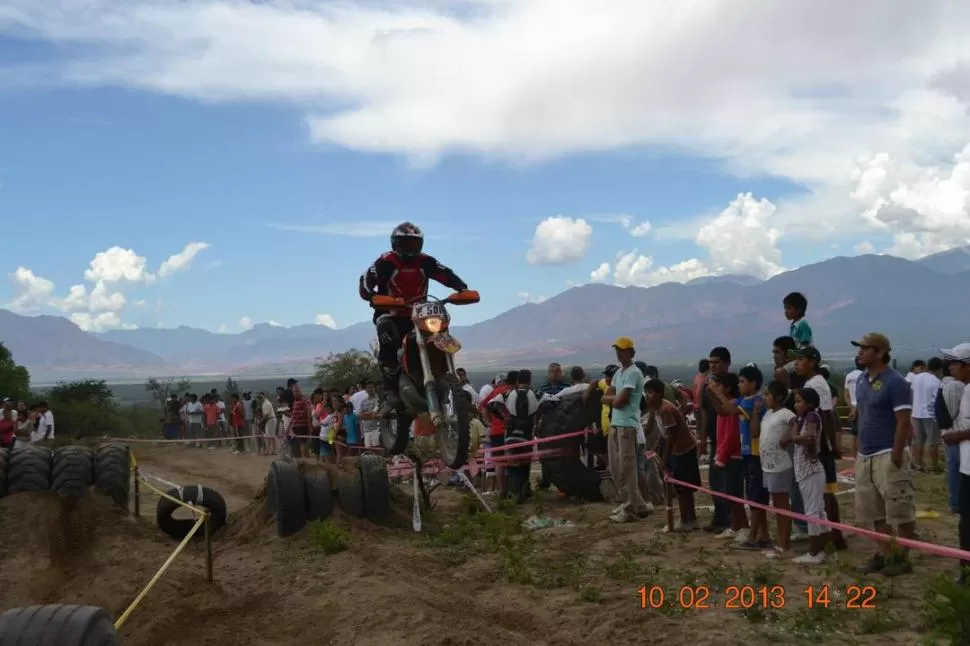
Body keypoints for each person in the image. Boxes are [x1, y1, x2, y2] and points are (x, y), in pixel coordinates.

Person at [358, 222, 470, 417]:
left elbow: (445, 273)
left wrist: (462, 289)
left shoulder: (425, 261)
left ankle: (442, 375)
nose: (411, 248)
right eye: (406, 243)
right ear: (395, 244)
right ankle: (390, 391)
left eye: (415, 244)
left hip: (418, 314)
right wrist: (371, 296)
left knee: (439, 334)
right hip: (390, 312)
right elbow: (366, 279)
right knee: (388, 337)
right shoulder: (386, 261)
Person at [852, 332, 917, 576]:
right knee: (873, 510)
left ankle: (904, 556)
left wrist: (897, 454)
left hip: (887, 452)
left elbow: (903, 421)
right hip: (865, 454)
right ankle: (885, 553)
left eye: (865, 348)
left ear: (879, 353)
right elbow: (863, 414)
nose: (859, 352)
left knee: (900, 509)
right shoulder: (861, 380)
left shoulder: (895, 382)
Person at [796, 346, 847, 551]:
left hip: (819, 447)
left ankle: (835, 536)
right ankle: (832, 535)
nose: (797, 364)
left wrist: (829, 446)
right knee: (823, 493)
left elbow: (826, 415)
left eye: (801, 359)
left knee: (825, 492)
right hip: (820, 445)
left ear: (813, 361)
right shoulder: (812, 382)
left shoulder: (817, 384)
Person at [603, 337, 649, 523]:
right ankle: (635, 504)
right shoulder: (618, 373)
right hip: (616, 423)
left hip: (627, 425)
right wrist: (613, 399)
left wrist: (613, 400)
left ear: (631, 352)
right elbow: (607, 397)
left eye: (622, 350)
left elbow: (620, 401)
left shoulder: (633, 373)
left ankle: (630, 508)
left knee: (626, 468)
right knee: (615, 466)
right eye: (617, 350)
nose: (619, 353)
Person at [646, 379, 699, 531]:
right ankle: (688, 519)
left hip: (683, 450)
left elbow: (671, 434)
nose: (647, 396)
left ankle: (687, 520)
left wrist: (665, 457)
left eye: (651, 392)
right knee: (680, 486)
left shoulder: (666, 409)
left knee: (683, 487)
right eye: (646, 392)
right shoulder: (656, 408)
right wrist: (656, 445)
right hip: (676, 450)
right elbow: (663, 432)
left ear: (659, 394)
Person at [785, 388, 829, 564]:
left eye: (799, 401)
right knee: (818, 509)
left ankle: (813, 552)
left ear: (810, 403)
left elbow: (810, 437)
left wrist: (793, 437)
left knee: (812, 511)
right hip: (806, 470)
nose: (796, 405)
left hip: (810, 470)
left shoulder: (811, 417)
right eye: (795, 402)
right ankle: (822, 548)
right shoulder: (803, 418)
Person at [939, 343, 970, 582]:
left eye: (955, 363)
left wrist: (956, 436)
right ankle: (965, 570)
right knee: (964, 522)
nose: (951, 367)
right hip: (966, 466)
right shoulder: (964, 389)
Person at [756, 380, 797, 558]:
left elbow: (796, 422)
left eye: (767, 394)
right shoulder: (767, 414)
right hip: (768, 465)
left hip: (781, 464)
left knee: (781, 504)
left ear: (779, 397)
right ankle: (782, 541)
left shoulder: (786, 414)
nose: (765, 398)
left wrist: (787, 437)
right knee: (777, 503)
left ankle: (784, 544)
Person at [708, 372, 749, 542]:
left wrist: (721, 457)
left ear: (727, 387)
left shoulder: (734, 405)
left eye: (719, 384)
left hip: (733, 455)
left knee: (733, 492)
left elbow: (731, 435)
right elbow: (720, 410)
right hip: (725, 453)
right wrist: (712, 394)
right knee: (728, 492)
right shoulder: (726, 407)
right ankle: (735, 526)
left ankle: (744, 527)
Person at [698, 346, 733, 534]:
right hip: (714, 437)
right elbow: (703, 411)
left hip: (728, 438)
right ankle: (719, 517)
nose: (712, 366)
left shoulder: (731, 384)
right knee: (714, 479)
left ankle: (730, 519)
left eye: (716, 362)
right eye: (710, 362)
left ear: (727, 363)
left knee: (728, 480)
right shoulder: (708, 384)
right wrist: (702, 438)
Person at [941, 360, 966, 513]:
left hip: (955, 434)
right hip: (956, 435)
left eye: (955, 364)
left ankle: (957, 503)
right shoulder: (956, 386)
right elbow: (951, 414)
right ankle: (957, 503)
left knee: (955, 469)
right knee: (958, 469)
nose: (951, 367)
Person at [911, 357, 943, 472]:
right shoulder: (937, 381)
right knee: (932, 442)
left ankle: (919, 465)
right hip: (930, 415)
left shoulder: (916, 378)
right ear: (939, 369)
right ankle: (934, 466)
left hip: (916, 413)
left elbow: (912, 392)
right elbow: (937, 400)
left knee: (919, 442)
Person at [845, 358, 864, 457]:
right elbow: (863, 395)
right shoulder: (864, 375)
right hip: (862, 408)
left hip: (852, 408)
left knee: (854, 435)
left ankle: (854, 458)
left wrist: (851, 408)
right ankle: (861, 457)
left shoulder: (849, 375)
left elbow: (846, 394)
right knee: (862, 435)